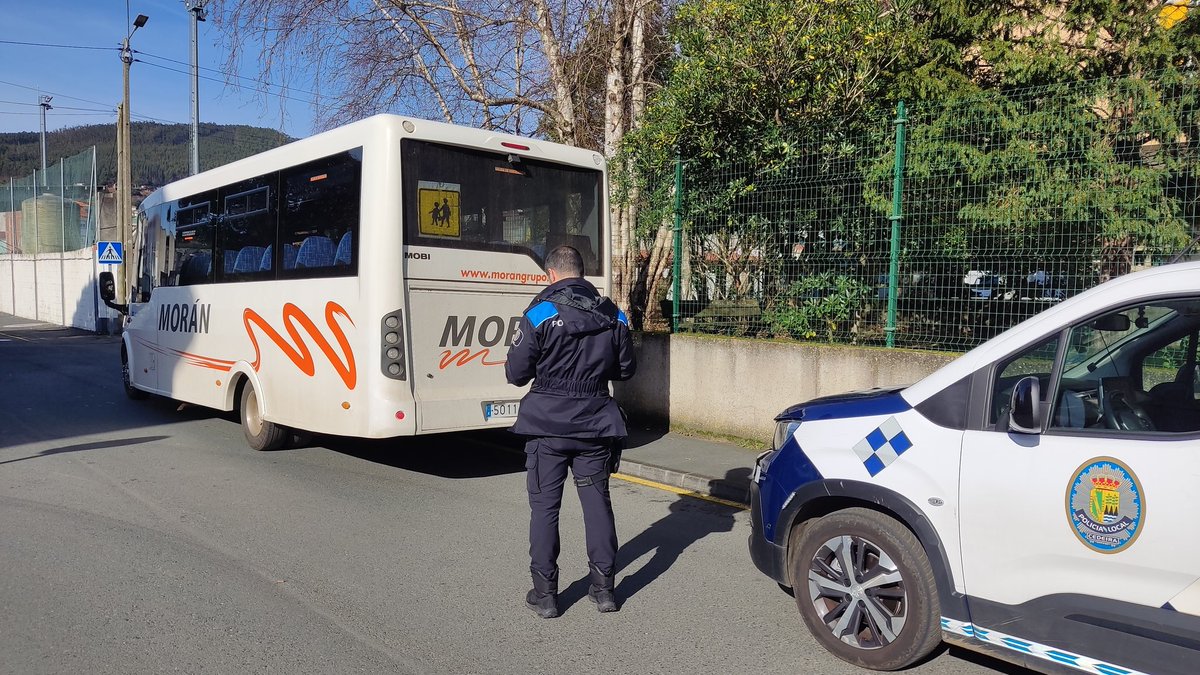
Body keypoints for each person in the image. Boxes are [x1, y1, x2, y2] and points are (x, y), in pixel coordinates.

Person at [505, 245, 637, 618]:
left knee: (545, 508)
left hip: (546, 425)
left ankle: (546, 595)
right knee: (597, 504)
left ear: (550, 274)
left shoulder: (540, 312)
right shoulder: (613, 314)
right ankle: (604, 590)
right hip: (595, 423)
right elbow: (627, 369)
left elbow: (515, 373)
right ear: (582, 273)